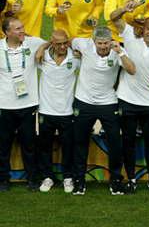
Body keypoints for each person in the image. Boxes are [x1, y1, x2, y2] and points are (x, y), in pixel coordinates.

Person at [70, 26, 136, 195]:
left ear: (111, 40)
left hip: (108, 102)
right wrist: (76, 53)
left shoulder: (117, 50)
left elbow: (131, 69)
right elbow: (71, 42)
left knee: (115, 143)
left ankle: (115, 181)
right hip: (84, 101)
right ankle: (79, 180)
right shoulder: (84, 45)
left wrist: (120, 52)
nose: (103, 47)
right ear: (94, 41)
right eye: (100, 43)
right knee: (80, 142)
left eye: (106, 43)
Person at [111, 6, 149, 194]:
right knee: (128, 142)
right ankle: (131, 180)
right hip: (127, 100)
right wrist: (126, 8)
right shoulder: (130, 36)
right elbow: (114, 17)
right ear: (143, 29)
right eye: (148, 29)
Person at [0, 17, 46, 192]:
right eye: (18, 29)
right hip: (4, 105)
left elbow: (50, 43)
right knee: (3, 145)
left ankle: (32, 179)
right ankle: (3, 180)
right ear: (7, 32)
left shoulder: (32, 42)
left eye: (22, 27)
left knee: (29, 145)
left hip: (28, 104)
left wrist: (41, 47)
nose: (23, 31)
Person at [35, 30, 80, 194]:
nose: (63, 46)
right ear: (52, 43)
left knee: (68, 146)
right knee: (44, 146)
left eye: (65, 43)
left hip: (67, 111)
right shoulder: (43, 56)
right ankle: (47, 177)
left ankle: (68, 177)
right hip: (46, 110)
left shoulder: (75, 58)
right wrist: (42, 47)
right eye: (59, 43)